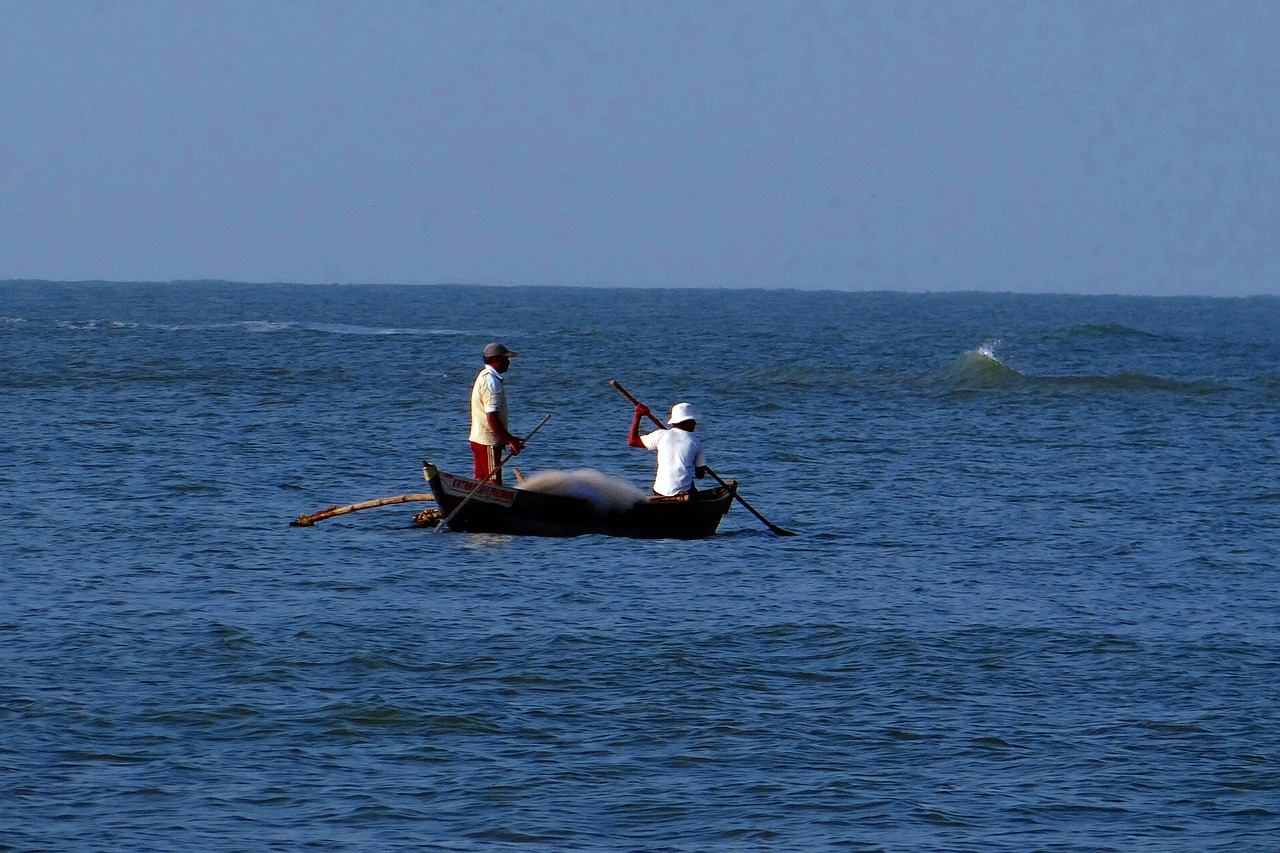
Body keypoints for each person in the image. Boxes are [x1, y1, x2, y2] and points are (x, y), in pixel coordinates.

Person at [469, 342, 523, 483]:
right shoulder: (491, 382)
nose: (508, 362)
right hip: (488, 442)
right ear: (497, 360)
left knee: (481, 482)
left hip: (480, 439)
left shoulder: (484, 376)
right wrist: (509, 440)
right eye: (506, 358)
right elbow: (491, 416)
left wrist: (508, 438)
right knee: (493, 483)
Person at [627, 401, 707, 496]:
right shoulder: (696, 442)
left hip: (659, 491)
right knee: (692, 486)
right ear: (686, 422)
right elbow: (700, 475)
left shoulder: (660, 434)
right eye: (692, 420)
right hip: (683, 492)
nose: (695, 423)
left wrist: (638, 416)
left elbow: (632, 441)